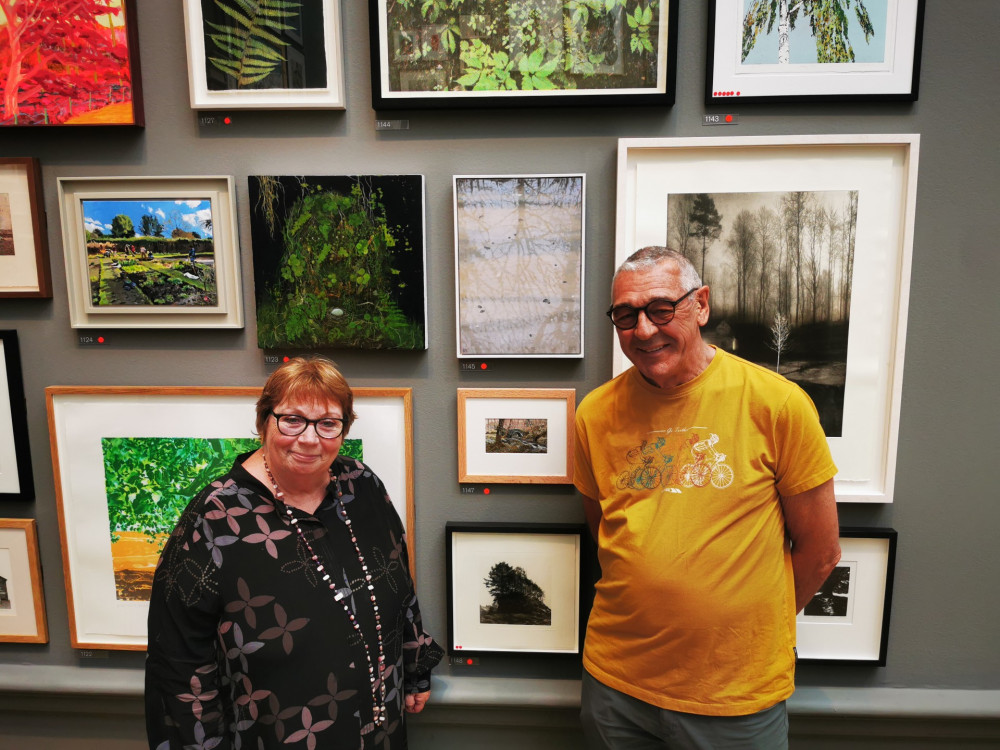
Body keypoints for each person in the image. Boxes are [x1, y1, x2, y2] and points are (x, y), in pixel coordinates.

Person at [575, 246, 841, 750]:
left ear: (701, 304)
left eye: (661, 308)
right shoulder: (595, 414)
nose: (644, 330)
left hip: (734, 699)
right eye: (626, 315)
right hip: (615, 686)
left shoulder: (778, 404)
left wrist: (738, 627)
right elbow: (604, 531)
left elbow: (821, 552)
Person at [145, 356, 443, 749]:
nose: (309, 438)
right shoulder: (215, 516)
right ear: (264, 421)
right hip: (275, 733)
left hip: (378, 727)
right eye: (292, 420)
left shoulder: (363, 486)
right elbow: (178, 659)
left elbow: (397, 585)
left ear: (343, 429)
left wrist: (414, 666)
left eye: (327, 423)